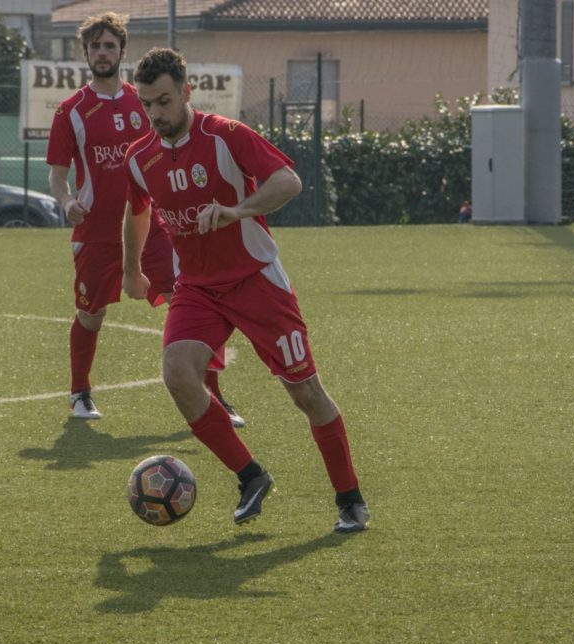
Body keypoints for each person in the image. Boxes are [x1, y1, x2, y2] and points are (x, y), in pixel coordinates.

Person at [121, 47, 369, 533]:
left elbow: (289, 181)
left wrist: (237, 210)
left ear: (187, 93)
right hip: (198, 289)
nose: (155, 114)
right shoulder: (139, 157)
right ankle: (251, 476)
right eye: (147, 104)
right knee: (178, 374)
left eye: (165, 102)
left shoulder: (225, 136)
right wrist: (131, 269)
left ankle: (350, 498)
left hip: (256, 281)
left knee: (307, 394)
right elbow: (137, 211)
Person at [46, 13, 243, 426]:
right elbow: (58, 174)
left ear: (122, 51)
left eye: (109, 45)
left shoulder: (147, 100)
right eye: (95, 46)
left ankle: (213, 395)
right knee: (90, 314)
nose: (102, 53)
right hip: (97, 233)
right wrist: (66, 202)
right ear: (86, 53)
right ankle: (80, 393)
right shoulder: (71, 111)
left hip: (153, 227)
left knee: (191, 303)